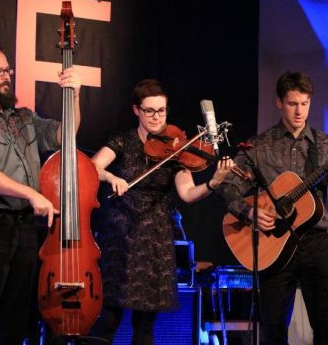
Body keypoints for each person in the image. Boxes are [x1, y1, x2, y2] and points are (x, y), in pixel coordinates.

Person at [0, 43, 82, 345]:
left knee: (16, 319)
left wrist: (74, 95)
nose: (7, 76)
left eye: (8, 70)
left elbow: (65, 135)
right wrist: (31, 194)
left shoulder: (23, 117)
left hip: (23, 227)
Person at [216, 71, 328, 344]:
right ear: (279, 102)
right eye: (293, 103)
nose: (299, 111)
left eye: (305, 104)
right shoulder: (258, 146)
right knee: (273, 328)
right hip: (275, 242)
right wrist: (248, 212)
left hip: (315, 243)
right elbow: (227, 185)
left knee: (327, 326)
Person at [85, 79, 234, 344]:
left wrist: (213, 183)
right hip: (120, 235)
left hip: (154, 239)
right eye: (150, 111)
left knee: (145, 325)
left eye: (162, 111)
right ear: (136, 111)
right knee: (108, 317)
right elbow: (93, 166)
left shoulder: (176, 149)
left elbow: (187, 194)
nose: (157, 117)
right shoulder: (122, 140)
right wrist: (111, 178)